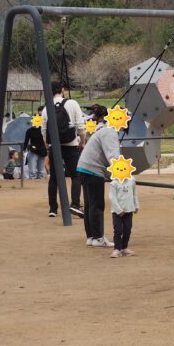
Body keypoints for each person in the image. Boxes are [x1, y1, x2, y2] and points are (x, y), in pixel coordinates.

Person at [75, 104, 117, 248]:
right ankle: (98, 238)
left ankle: (91, 236)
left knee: (89, 205)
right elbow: (113, 156)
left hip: (83, 167)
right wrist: (121, 174)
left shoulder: (100, 130)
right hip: (93, 169)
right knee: (97, 204)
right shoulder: (110, 132)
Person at [42, 83, 85, 218]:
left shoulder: (46, 108)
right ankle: (75, 205)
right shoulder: (72, 103)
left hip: (55, 146)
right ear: (62, 90)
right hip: (71, 144)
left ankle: (53, 208)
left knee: (54, 177)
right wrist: (82, 142)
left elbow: (44, 131)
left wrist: (48, 147)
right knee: (75, 176)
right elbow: (80, 127)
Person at [109, 176, 139, 258]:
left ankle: (124, 248)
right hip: (117, 212)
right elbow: (112, 198)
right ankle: (117, 249)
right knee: (118, 230)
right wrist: (119, 210)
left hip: (129, 210)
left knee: (127, 229)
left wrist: (136, 205)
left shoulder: (132, 180)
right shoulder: (113, 183)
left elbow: (134, 193)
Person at [22, 107, 47, 179]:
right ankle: (32, 184)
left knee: (41, 171)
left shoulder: (44, 129)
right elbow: (26, 141)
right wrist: (24, 150)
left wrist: (47, 148)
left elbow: (47, 140)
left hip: (42, 150)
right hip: (33, 150)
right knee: (32, 171)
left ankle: (40, 185)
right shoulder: (29, 130)